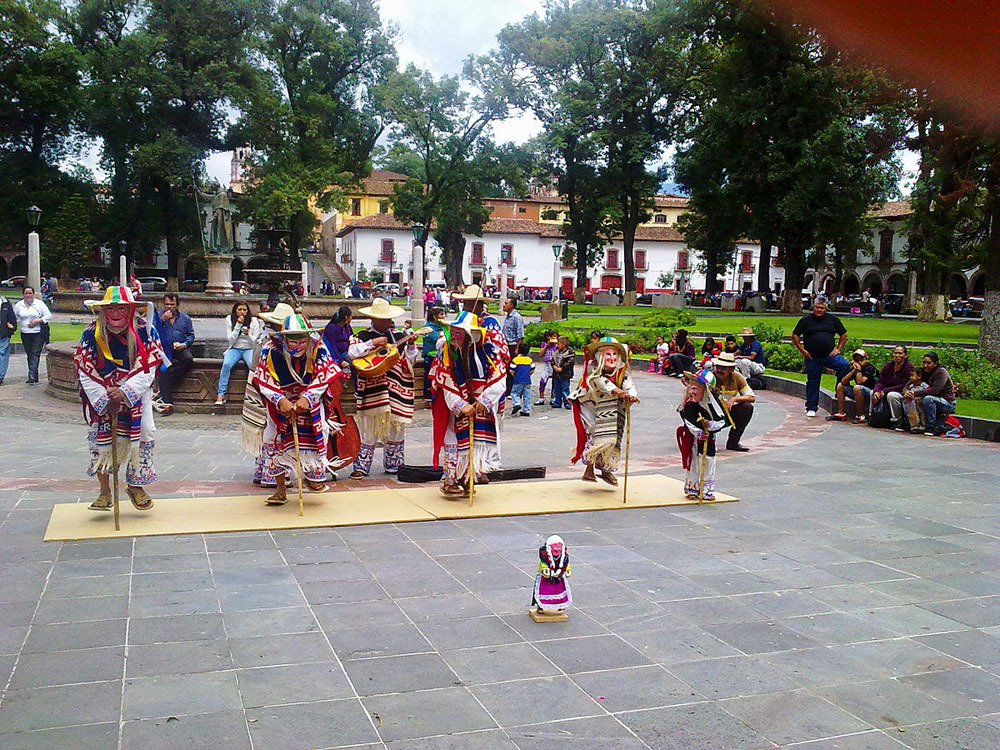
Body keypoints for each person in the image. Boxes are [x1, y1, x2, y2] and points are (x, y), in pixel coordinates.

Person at [74, 286, 166, 512]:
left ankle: (136, 485)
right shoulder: (91, 333)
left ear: (131, 309)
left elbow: (150, 364)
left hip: (136, 395)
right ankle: (105, 492)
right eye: (111, 308)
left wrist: (126, 391)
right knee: (99, 437)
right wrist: (105, 396)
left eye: (121, 308)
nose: (116, 312)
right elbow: (84, 368)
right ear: (104, 310)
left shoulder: (145, 331)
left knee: (145, 431)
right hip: (103, 395)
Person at [253, 314, 341, 505]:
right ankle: (280, 488)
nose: (299, 347)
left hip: (310, 401)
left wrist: (308, 397)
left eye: (302, 341)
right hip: (281, 402)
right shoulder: (270, 350)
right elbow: (263, 378)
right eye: (293, 342)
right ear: (283, 339)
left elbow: (325, 374)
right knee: (273, 438)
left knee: (319, 432)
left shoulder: (318, 348)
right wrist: (279, 399)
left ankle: (313, 476)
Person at [429, 312, 506, 496]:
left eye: (459, 333)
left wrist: (484, 400)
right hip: (454, 406)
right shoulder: (446, 352)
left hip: (481, 405)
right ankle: (450, 480)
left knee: (476, 442)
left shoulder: (489, 352)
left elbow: (499, 379)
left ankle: (468, 478)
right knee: (452, 441)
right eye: (453, 332)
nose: (454, 337)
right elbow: (444, 381)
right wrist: (460, 405)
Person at [347, 297, 418, 478]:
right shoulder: (361, 337)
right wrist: (373, 344)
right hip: (372, 389)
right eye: (384, 319)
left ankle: (394, 464)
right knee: (368, 428)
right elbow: (352, 353)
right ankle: (361, 466)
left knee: (395, 426)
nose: (388, 322)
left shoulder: (399, 336)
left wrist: (410, 347)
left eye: (388, 319)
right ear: (374, 319)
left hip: (395, 388)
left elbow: (409, 360)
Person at [568, 336, 639, 485]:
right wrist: (616, 391)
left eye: (614, 354)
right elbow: (601, 383)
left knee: (612, 436)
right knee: (595, 435)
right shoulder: (593, 371)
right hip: (589, 405)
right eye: (608, 354)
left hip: (610, 407)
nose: (612, 358)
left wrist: (632, 396)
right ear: (601, 356)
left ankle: (606, 469)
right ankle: (590, 468)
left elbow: (629, 384)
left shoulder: (621, 372)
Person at [242, 303, 295, 487]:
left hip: (257, 381)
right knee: (274, 428)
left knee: (263, 427)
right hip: (268, 386)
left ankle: (262, 469)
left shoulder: (263, 336)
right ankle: (273, 474)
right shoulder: (272, 343)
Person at [791, 297, 850, 417]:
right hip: (812, 357)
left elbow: (843, 334)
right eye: (817, 307)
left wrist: (838, 348)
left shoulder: (832, 319)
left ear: (826, 309)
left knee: (844, 365)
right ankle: (811, 407)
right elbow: (795, 335)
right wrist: (802, 350)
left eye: (822, 308)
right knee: (813, 381)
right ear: (813, 307)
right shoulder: (805, 320)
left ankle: (839, 390)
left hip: (829, 355)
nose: (819, 310)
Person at [676, 369, 728, 500]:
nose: (692, 392)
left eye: (696, 388)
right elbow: (688, 422)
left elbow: (722, 421)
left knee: (708, 461)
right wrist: (699, 433)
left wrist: (709, 426)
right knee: (692, 461)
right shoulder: (687, 406)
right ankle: (692, 487)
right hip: (692, 437)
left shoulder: (713, 406)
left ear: (705, 390)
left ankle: (706, 489)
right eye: (690, 388)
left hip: (708, 438)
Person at [216, 299, 264, 405]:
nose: (242, 312)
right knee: (227, 364)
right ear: (235, 310)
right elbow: (231, 340)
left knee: (253, 366)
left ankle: (255, 394)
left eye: (244, 310)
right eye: (239, 309)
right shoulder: (229, 319)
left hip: (249, 348)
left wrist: (248, 335)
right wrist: (237, 326)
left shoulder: (254, 321)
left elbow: (255, 341)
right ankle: (221, 394)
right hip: (235, 348)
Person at [154, 294, 194, 414]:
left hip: (179, 347)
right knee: (163, 370)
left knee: (188, 359)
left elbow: (191, 335)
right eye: (167, 304)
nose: (170, 307)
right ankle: (168, 402)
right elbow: (150, 331)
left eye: (172, 304)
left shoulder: (185, 318)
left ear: (177, 305)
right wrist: (162, 320)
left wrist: (185, 344)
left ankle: (164, 387)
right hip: (163, 349)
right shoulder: (158, 316)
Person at [905, 352, 957, 436]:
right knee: (909, 398)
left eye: (929, 363)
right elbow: (908, 385)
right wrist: (907, 392)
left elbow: (935, 390)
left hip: (947, 402)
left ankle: (930, 427)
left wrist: (915, 393)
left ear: (935, 364)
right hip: (930, 398)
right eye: (924, 362)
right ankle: (914, 425)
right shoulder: (922, 371)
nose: (925, 365)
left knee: (928, 399)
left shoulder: (941, 372)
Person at [710, 352, 753, 451]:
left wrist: (734, 399)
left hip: (726, 412)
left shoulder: (737, 377)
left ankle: (733, 442)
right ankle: (709, 440)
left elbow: (751, 397)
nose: (719, 370)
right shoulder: (710, 377)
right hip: (710, 412)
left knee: (747, 407)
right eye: (718, 367)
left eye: (723, 368)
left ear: (731, 369)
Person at [13, 286, 51, 384]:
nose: (28, 295)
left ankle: (32, 375)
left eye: (30, 293)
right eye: (26, 293)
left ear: (33, 294)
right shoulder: (19, 305)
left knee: (35, 353)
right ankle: (34, 375)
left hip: (38, 333)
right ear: (23, 295)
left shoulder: (39, 304)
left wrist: (38, 320)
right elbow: (14, 317)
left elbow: (48, 315)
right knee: (29, 354)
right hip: (25, 333)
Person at [828, 348, 878, 423]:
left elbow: (860, 382)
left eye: (862, 359)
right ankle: (841, 413)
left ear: (866, 359)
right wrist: (853, 371)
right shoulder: (854, 369)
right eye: (857, 360)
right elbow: (843, 381)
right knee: (840, 386)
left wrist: (858, 370)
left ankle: (860, 415)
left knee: (857, 388)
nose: (859, 362)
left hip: (871, 393)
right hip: (858, 392)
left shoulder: (870, 368)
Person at [875, 345, 916, 429]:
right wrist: (877, 390)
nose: (897, 355)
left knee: (892, 395)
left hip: (901, 392)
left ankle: (897, 420)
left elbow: (903, 386)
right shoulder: (888, 366)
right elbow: (881, 381)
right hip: (887, 389)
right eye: (895, 353)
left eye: (900, 353)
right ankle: (874, 416)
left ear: (905, 355)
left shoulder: (908, 368)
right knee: (873, 393)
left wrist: (885, 390)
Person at [531, 535, 571, 615]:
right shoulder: (544, 554)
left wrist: (567, 570)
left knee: (559, 590)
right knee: (543, 591)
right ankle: (540, 606)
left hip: (559, 576)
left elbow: (565, 563)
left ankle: (561, 605)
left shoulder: (564, 556)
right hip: (547, 577)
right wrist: (544, 569)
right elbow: (543, 563)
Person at [421, 306, 446, 400]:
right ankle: (428, 394)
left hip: (442, 356)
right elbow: (437, 339)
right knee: (430, 376)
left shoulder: (444, 327)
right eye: (441, 314)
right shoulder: (428, 328)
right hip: (431, 356)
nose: (443, 317)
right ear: (435, 317)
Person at [322, 305, 354, 373]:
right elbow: (332, 346)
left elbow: (352, 337)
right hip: (338, 353)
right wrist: (340, 360)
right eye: (350, 316)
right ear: (346, 317)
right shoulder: (332, 328)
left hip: (349, 351)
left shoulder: (347, 327)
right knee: (352, 365)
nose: (351, 318)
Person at [509, 342, 535, 417]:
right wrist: (529, 374)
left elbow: (511, 369)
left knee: (515, 393)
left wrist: (514, 375)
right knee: (527, 395)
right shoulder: (529, 360)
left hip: (518, 380)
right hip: (527, 380)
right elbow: (532, 369)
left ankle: (516, 404)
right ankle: (526, 410)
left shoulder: (516, 359)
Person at [550, 336, 575, 409]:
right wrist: (554, 366)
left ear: (564, 345)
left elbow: (570, 362)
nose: (557, 346)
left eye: (559, 344)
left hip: (565, 374)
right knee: (556, 389)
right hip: (556, 374)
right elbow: (552, 360)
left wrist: (562, 368)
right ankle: (557, 402)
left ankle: (567, 402)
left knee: (565, 389)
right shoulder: (556, 353)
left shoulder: (569, 354)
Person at [535, 329, 558, 405]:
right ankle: (541, 398)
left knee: (554, 383)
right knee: (542, 381)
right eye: (553, 336)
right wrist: (546, 346)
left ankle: (553, 398)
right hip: (546, 365)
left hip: (554, 365)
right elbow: (540, 354)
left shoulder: (557, 345)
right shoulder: (544, 344)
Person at [901, 369, 928, 433]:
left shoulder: (924, 385)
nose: (910, 378)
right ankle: (914, 426)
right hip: (911, 403)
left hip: (920, 402)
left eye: (912, 376)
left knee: (921, 413)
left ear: (919, 377)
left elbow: (927, 392)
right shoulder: (911, 386)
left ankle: (922, 425)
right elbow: (905, 390)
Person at [0, 293, 16, 385]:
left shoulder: (5, 302)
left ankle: (0, 376)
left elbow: (11, 317)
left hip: (3, 333)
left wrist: (12, 328)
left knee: (2, 353)